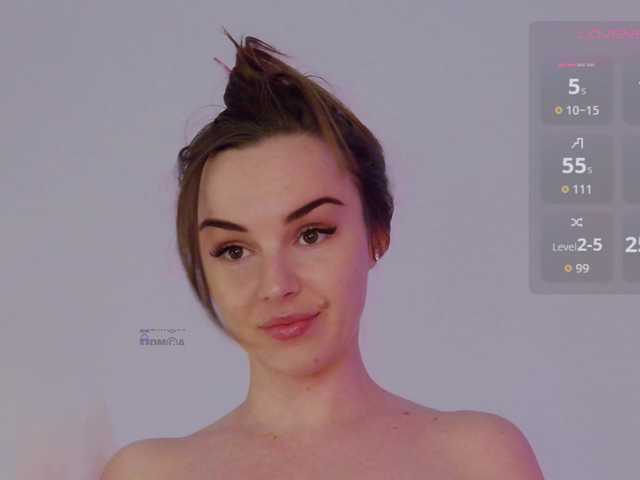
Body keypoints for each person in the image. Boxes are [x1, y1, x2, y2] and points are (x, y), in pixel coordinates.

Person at [101, 28, 544, 479]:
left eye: (311, 235)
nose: (276, 285)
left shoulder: (478, 459)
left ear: (376, 235)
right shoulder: (146, 473)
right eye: (234, 250)